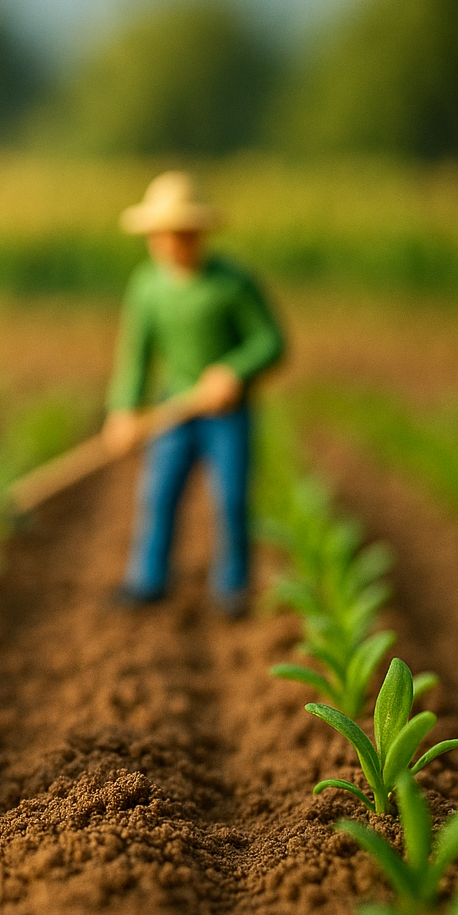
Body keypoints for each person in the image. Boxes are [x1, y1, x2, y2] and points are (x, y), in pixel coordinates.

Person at [103, 172, 286, 618]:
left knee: (231, 498)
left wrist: (234, 372)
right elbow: (136, 357)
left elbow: (271, 342)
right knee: (159, 493)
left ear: (200, 234)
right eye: (161, 234)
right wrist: (123, 410)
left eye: (181, 233)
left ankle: (233, 589)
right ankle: (147, 580)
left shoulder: (233, 283)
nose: (171, 243)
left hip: (227, 412)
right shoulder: (147, 287)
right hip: (174, 407)